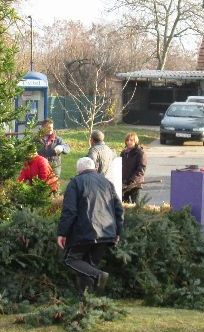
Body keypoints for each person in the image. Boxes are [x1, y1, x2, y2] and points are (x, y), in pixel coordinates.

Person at [57, 156, 124, 297]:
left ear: (78, 170)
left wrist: (62, 233)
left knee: (70, 260)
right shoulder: (107, 183)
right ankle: (88, 300)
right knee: (87, 266)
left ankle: (99, 276)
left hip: (84, 232)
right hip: (107, 232)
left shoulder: (75, 182)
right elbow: (119, 209)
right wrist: (118, 232)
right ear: (95, 168)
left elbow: (70, 211)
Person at [37, 119, 70, 184]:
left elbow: (67, 148)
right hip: (40, 169)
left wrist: (62, 148)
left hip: (54, 169)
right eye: (49, 127)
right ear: (43, 128)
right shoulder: (36, 139)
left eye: (52, 127)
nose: (51, 129)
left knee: (54, 188)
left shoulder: (57, 139)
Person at [120, 132, 147, 204]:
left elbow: (141, 169)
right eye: (127, 140)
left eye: (131, 140)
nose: (129, 142)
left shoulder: (140, 153)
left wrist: (132, 181)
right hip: (124, 184)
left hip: (135, 184)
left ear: (135, 141)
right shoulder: (123, 153)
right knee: (124, 205)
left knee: (135, 206)